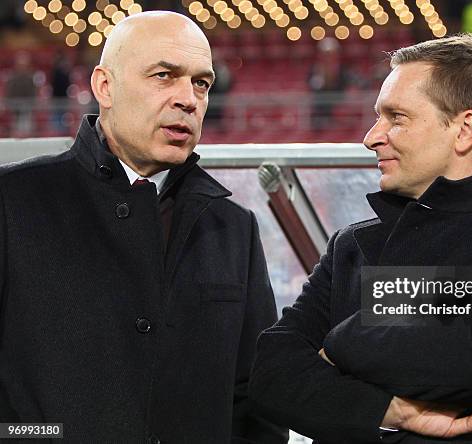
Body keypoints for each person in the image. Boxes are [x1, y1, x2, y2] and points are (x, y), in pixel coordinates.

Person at [250, 34, 472, 443]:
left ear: (464, 130)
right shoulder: (352, 245)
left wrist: (342, 342)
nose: (371, 136)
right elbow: (271, 374)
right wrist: (390, 410)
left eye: (396, 117)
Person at [0, 11, 287, 443]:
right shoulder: (13, 200)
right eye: (164, 76)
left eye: (201, 83)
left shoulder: (233, 228)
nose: (188, 99)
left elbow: (255, 400)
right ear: (105, 87)